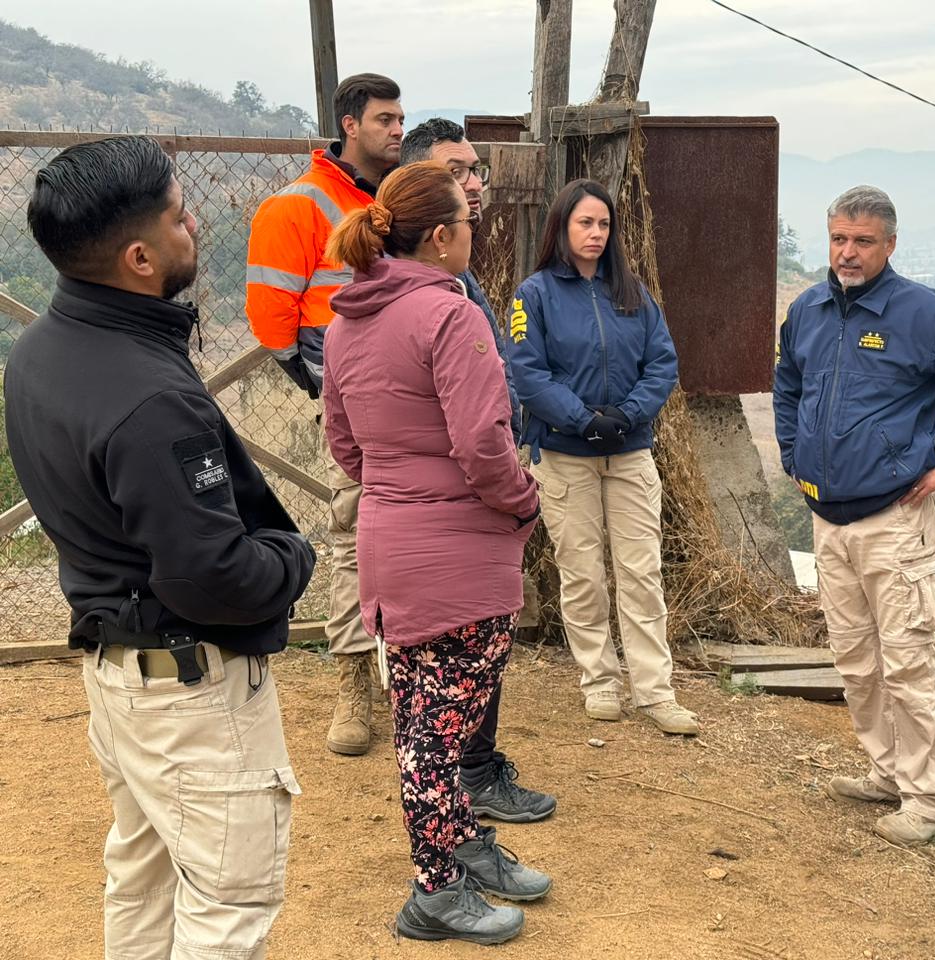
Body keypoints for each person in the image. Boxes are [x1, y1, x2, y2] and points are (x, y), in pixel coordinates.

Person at [6, 135, 316, 959]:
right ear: (141, 257)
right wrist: (294, 559)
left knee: (143, 879)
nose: (194, 227)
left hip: (120, 681)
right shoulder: (149, 398)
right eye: (182, 218)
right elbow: (213, 577)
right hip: (191, 697)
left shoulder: (40, 351)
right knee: (224, 904)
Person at [323, 160, 550, 945]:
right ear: (445, 235)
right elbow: (485, 444)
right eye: (469, 223)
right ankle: (436, 889)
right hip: (461, 550)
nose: (472, 234)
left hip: (391, 543)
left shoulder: (347, 319)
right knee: (437, 728)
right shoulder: (451, 317)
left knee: (426, 711)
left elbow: (343, 446)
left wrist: (397, 484)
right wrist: (523, 503)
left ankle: (460, 846)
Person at [772, 185, 935, 844]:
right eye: (839, 238)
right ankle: (888, 772)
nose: (848, 251)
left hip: (897, 519)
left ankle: (928, 799)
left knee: (907, 662)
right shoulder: (807, 309)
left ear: (890, 244)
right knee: (856, 663)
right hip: (827, 518)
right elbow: (789, 385)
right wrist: (792, 453)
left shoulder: (923, 313)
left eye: (862, 240)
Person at [398, 118, 555, 823]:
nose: (476, 184)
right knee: (461, 670)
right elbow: (476, 433)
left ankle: (463, 791)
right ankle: (468, 796)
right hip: (463, 503)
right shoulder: (444, 300)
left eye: (475, 171)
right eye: (458, 174)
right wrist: (518, 499)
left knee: (428, 692)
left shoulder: (383, 295)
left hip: (427, 505)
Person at [245, 72, 403, 756]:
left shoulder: (400, 202)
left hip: (416, 410)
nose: (398, 130)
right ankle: (353, 687)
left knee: (410, 545)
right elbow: (272, 322)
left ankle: (412, 682)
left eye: (402, 119)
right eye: (385, 119)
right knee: (354, 547)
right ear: (349, 124)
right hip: (356, 418)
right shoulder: (299, 206)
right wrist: (329, 388)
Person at [507, 179, 693, 735]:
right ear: (562, 227)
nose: (595, 233)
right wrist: (581, 418)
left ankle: (656, 691)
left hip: (630, 453)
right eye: (584, 223)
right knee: (583, 573)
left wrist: (629, 414)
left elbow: (662, 362)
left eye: (604, 224)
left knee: (641, 571)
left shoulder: (632, 293)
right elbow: (526, 371)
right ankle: (599, 681)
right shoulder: (533, 295)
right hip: (565, 456)